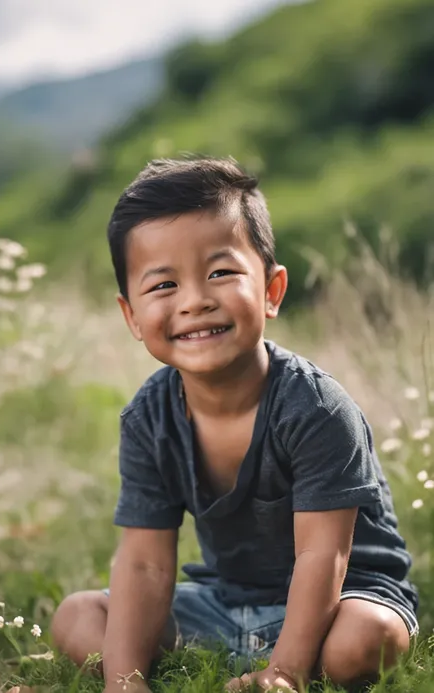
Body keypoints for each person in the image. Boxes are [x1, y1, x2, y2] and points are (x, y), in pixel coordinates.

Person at [51, 157, 418, 692]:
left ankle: (288, 665)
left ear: (271, 291)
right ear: (131, 315)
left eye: (220, 273)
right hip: (225, 604)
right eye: (163, 285)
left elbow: (325, 556)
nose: (196, 301)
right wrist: (123, 681)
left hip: (343, 597)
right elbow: (146, 564)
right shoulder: (148, 418)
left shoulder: (314, 407)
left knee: (365, 641)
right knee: (77, 616)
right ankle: (224, 660)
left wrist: (286, 672)